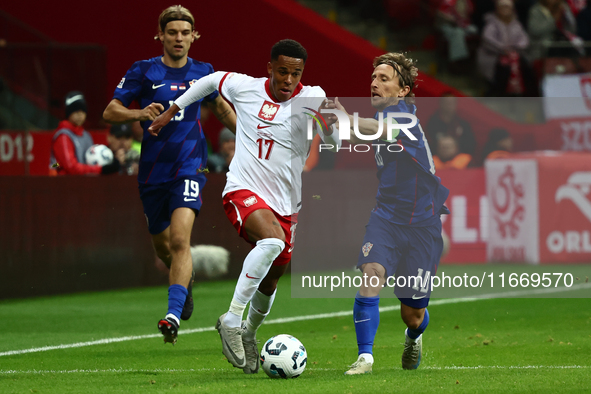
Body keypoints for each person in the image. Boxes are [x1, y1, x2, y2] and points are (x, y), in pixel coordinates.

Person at [149, 39, 340, 374]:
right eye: (282, 71)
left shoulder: (313, 96)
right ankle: (232, 319)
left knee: (271, 279)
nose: (288, 80)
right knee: (272, 241)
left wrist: (331, 128)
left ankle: (249, 333)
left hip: (287, 202)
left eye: (295, 73)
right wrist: (172, 109)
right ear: (269, 67)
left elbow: (333, 141)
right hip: (243, 189)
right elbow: (208, 82)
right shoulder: (245, 87)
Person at [102, 5, 237, 344]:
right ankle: (185, 284)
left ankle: (172, 316)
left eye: (184, 33)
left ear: (194, 37)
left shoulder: (204, 72)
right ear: (160, 35)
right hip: (152, 174)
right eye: (172, 32)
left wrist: (250, 138)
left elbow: (221, 108)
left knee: (180, 240)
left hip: (190, 167)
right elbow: (109, 111)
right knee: (164, 247)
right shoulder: (143, 71)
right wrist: (138, 112)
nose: (179, 38)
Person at [332, 52, 449, 374]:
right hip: (385, 217)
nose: (374, 83)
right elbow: (360, 132)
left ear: (403, 91)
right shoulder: (385, 119)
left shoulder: (406, 118)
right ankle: (365, 358)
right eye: (373, 78)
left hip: (422, 224)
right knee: (372, 272)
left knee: (412, 315)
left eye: (384, 79)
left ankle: (414, 337)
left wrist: (346, 118)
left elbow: (379, 130)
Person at [50, 91, 120, 175]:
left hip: (82, 182)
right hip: (62, 184)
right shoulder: (63, 136)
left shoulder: (86, 135)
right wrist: (101, 170)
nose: (80, 115)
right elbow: (70, 166)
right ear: (68, 113)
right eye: (76, 111)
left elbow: (89, 161)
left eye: (82, 111)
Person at [477, 0, 534, 96]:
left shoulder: (516, 24)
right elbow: (488, 40)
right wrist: (503, 49)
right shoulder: (491, 23)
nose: (505, 10)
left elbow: (524, 39)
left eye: (507, 8)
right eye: (503, 7)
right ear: (497, 9)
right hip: (494, 56)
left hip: (514, 54)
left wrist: (516, 48)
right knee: (504, 69)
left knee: (526, 67)